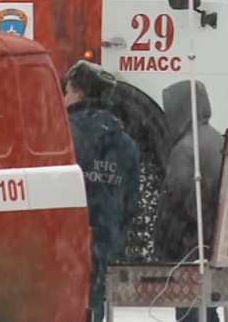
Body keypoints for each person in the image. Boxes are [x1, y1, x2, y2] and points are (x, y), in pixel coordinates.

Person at [64, 60, 141, 322]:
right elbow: (131, 203)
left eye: (67, 92)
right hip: (105, 244)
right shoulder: (126, 143)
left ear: (80, 94)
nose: (64, 99)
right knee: (95, 307)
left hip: (67, 247)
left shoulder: (63, 137)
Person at [153, 79, 224, 322]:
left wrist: (167, 240)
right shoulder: (217, 141)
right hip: (210, 244)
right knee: (207, 308)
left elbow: (178, 199)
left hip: (189, 248)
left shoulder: (185, 149)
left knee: (190, 311)